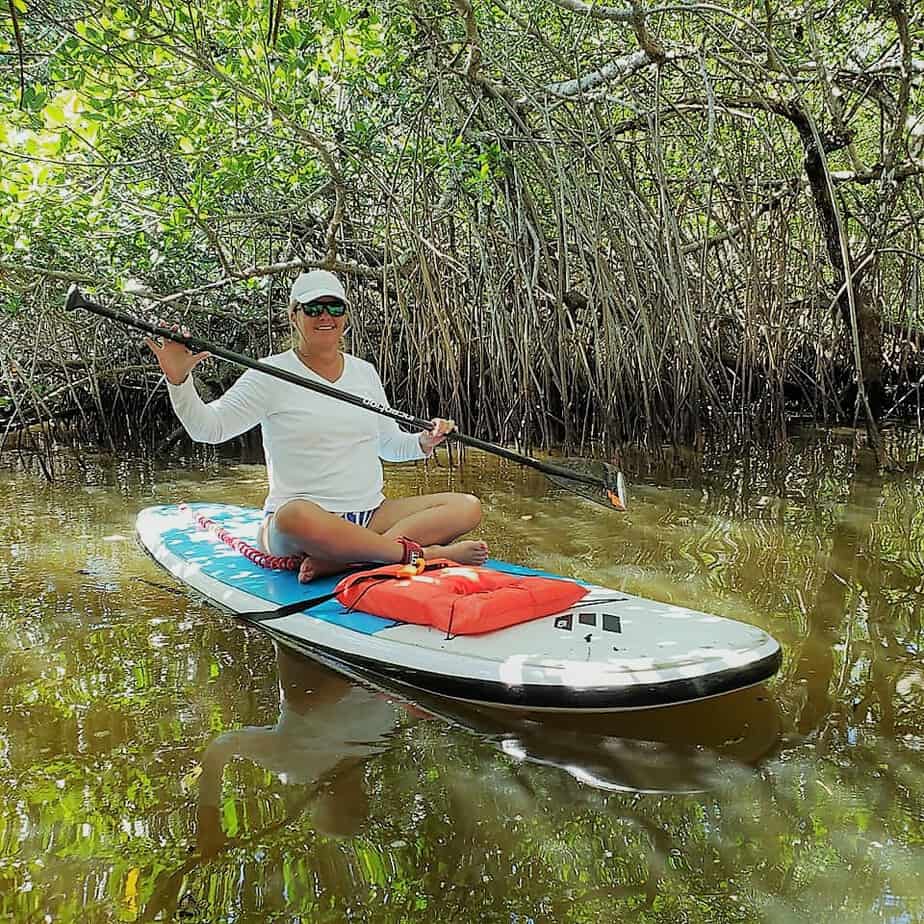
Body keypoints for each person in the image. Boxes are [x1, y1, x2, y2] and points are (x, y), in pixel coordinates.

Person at [146, 269, 488, 583]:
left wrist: (423, 443)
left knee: (466, 506)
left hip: (369, 514)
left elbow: (387, 445)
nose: (325, 316)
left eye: (334, 308)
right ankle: (423, 555)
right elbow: (209, 429)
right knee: (295, 514)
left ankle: (349, 557)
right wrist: (179, 381)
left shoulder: (364, 373)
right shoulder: (270, 373)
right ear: (295, 315)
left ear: (345, 316)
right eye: (313, 309)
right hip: (303, 526)